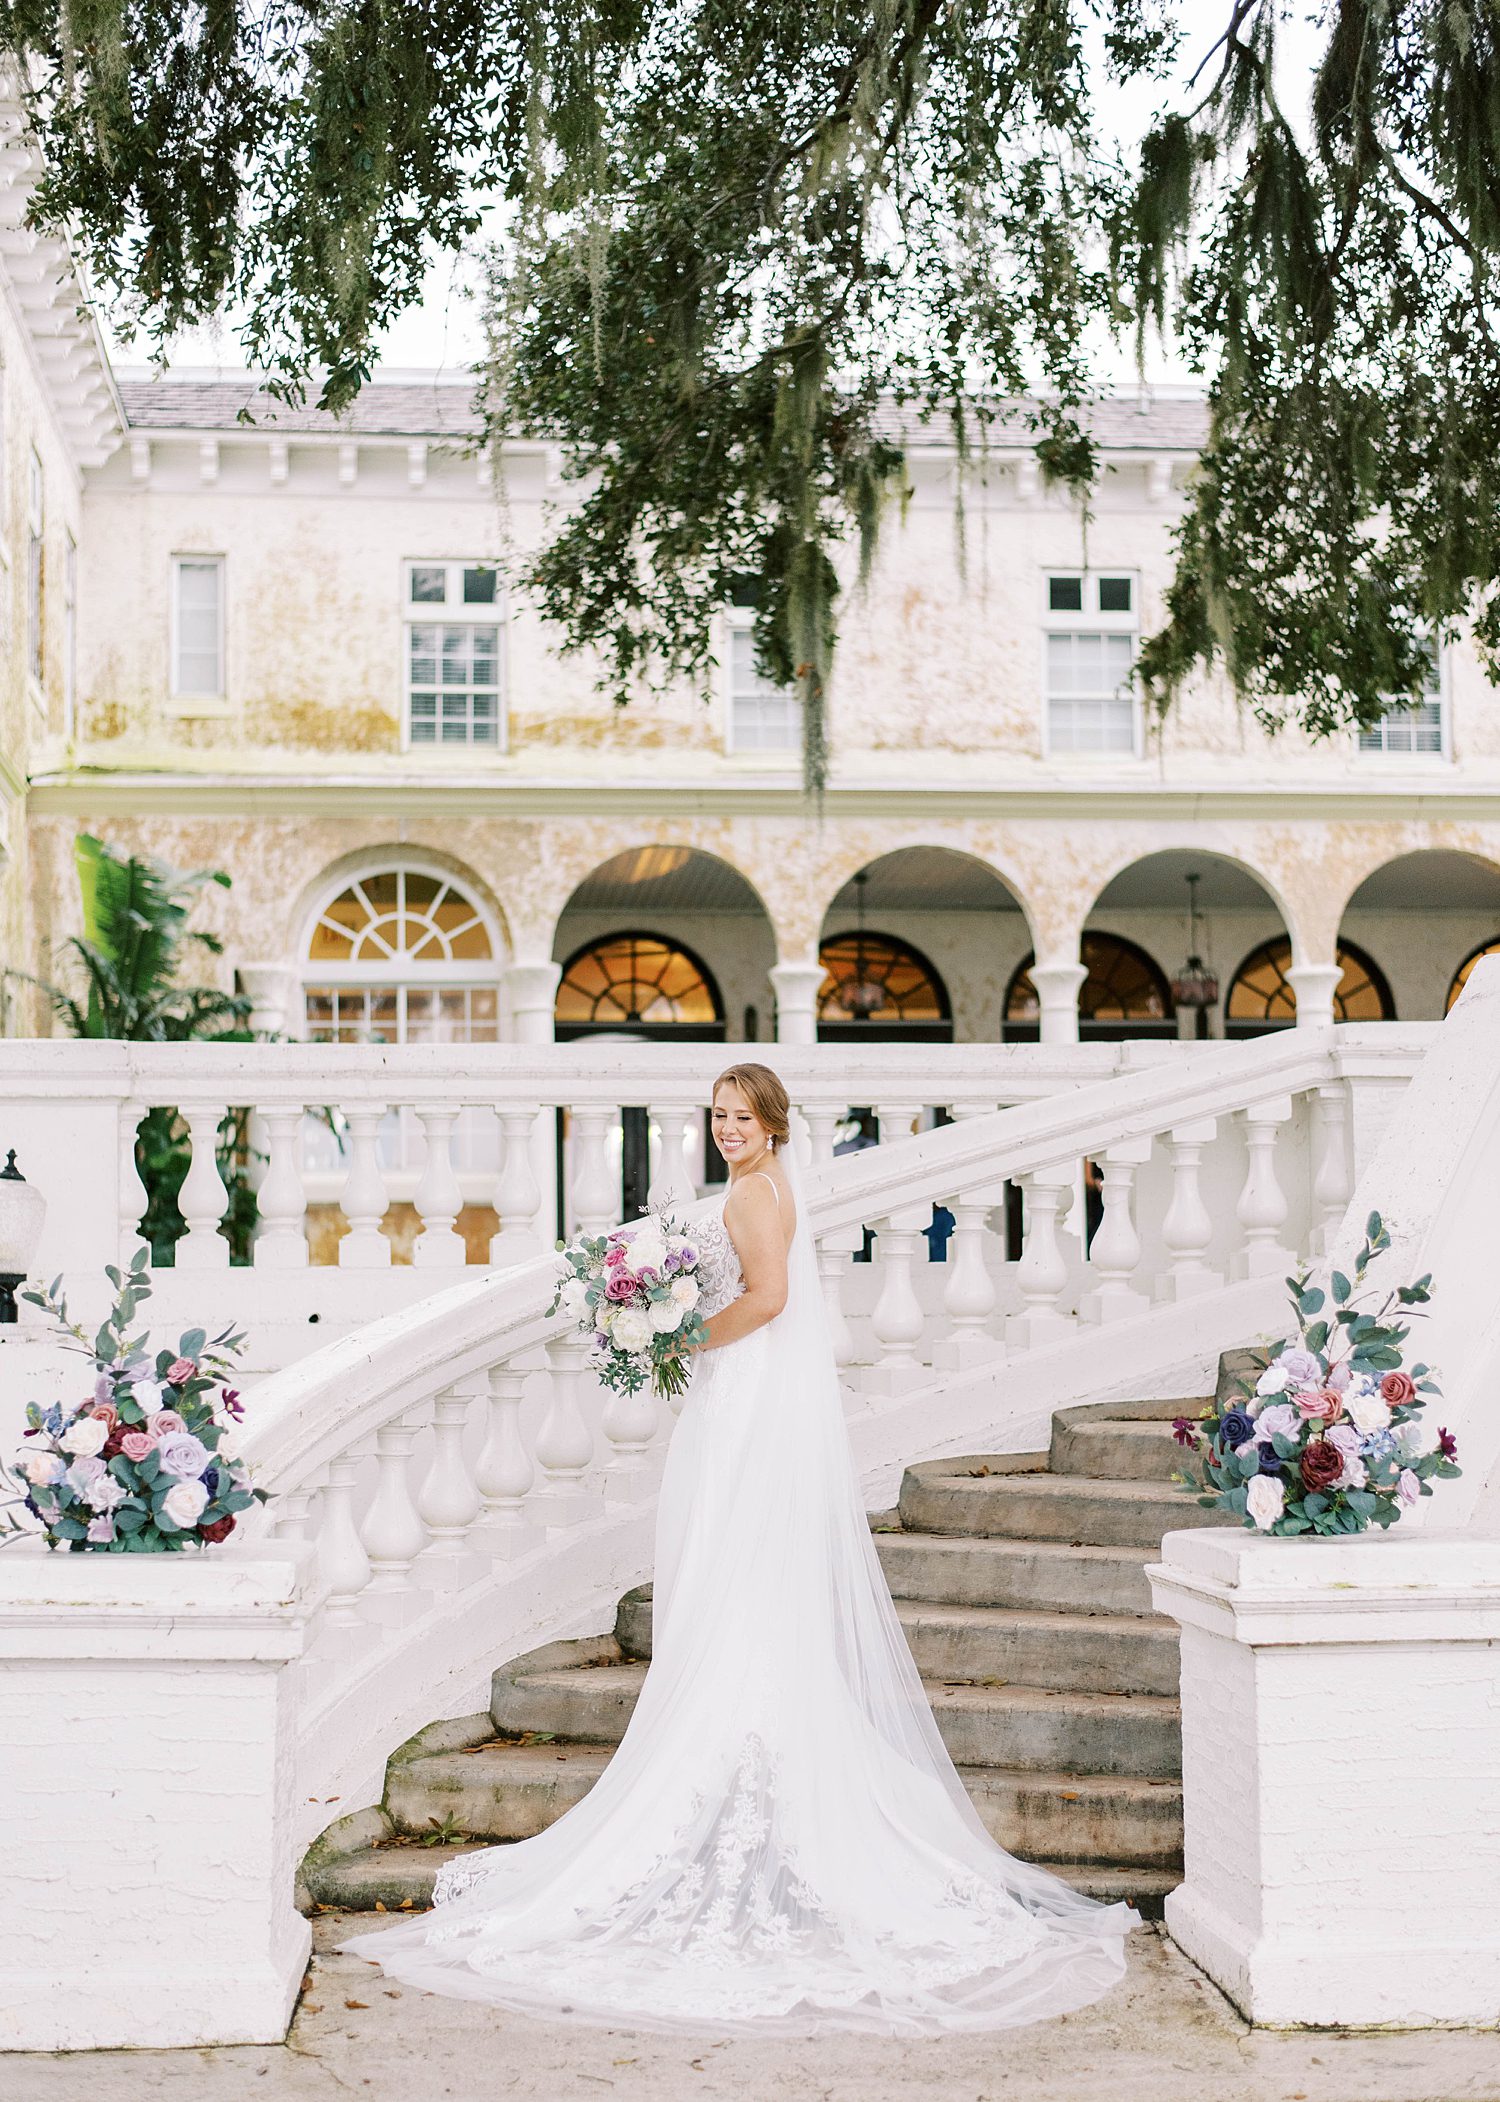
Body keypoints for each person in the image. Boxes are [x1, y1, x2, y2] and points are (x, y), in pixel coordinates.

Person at [341, 1062, 1135, 2034]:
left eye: (741, 1115)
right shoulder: (749, 1185)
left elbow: (765, 1299)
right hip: (739, 1392)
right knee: (732, 1578)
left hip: (746, 1390)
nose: (727, 1127)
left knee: (736, 1574)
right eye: (717, 1114)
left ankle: (742, 1773)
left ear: (771, 1122)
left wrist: (679, 1335)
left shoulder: (759, 1195)